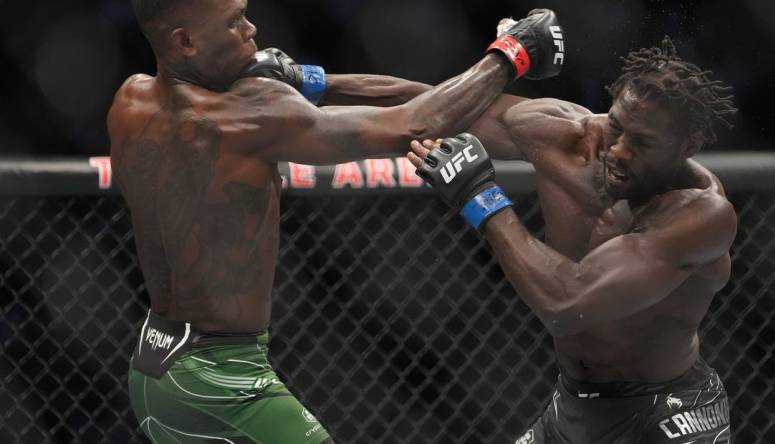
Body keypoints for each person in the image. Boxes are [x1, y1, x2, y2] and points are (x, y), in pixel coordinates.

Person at [107, 0, 564, 442]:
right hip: (221, 375)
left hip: (152, 364)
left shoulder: (129, 101)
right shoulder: (247, 115)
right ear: (186, 41)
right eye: (235, 22)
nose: (252, 30)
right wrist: (511, 52)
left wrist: (298, 80)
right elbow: (412, 126)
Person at [405, 37, 737, 443]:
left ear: (688, 147)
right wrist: (316, 83)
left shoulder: (701, 213)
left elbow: (565, 305)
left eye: (644, 142)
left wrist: (480, 198)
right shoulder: (571, 135)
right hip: (574, 406)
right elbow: (432, 106)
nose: (617, 150)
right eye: (616, 126)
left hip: (668, 413)